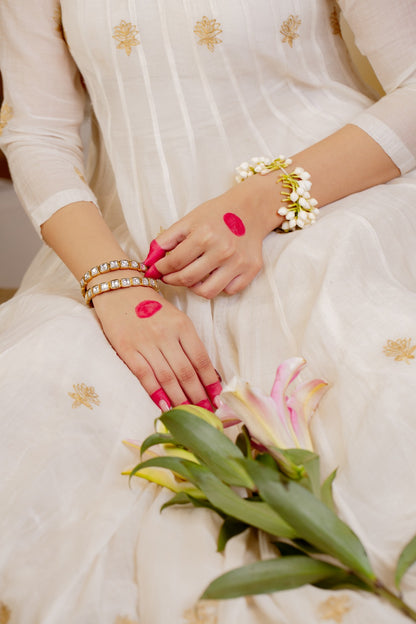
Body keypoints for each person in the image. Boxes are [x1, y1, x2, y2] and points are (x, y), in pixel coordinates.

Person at [0, 1, 415, 622]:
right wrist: (113, 286)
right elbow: (38, 132)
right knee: (40, 401)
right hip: (133, 257)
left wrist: (262, 201)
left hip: (328, 212)